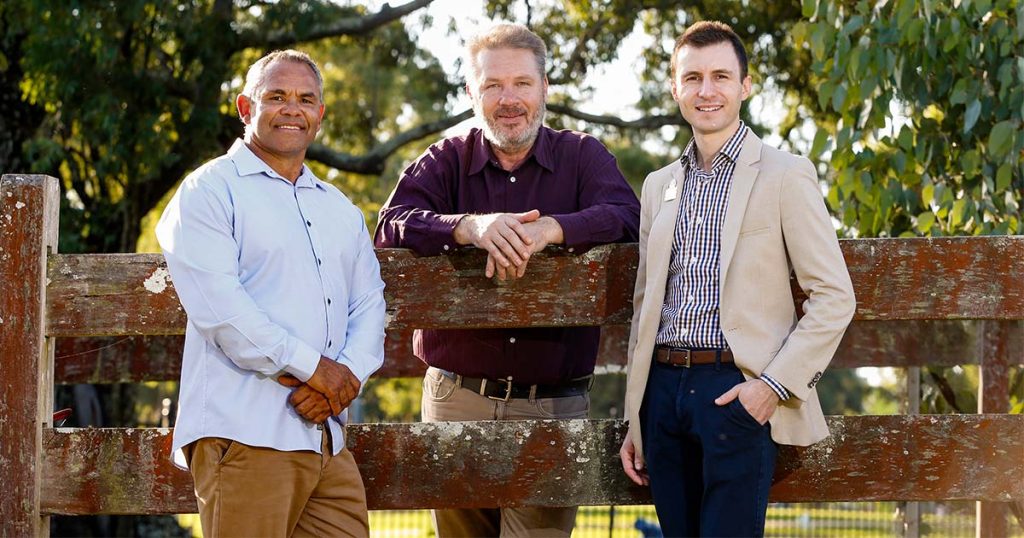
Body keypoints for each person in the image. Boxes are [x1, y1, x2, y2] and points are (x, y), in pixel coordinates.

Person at [374, 23, 640, 537]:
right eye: (493, 85)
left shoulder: (584, 156)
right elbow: (390, 223)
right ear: (472, 93)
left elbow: (627, 215)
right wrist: (468, 227)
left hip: (555, 403)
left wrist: (553, 228)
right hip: (456, 398)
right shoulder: (445, 160)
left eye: (521, 83)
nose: (508, 99)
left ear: (545, 88)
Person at [618, 21, 856, 537]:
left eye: (721, 76)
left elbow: (835, 297)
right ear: (676, 88)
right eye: (693, 78)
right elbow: (645, 308)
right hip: (662, 393)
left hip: (736, 391)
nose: (707, 91)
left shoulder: (785, 174)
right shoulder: (659, 186)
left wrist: (770, 388)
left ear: (746, 86)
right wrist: (636, 416)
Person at [156, 50, 385, 537]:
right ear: (245, 108)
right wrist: (318, 370)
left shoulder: (339, 208)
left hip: (326, 440)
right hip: (245, 433)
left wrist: (344, 380)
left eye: (306, 99)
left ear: (319, 114)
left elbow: (369, 303)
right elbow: (223, 312)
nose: (292, 109)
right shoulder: (209, 192)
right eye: (276, 96)